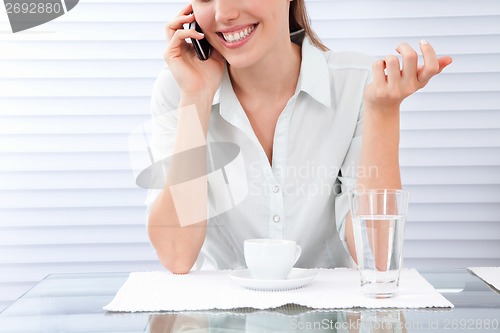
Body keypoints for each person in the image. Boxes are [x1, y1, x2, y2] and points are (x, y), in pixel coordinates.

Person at [146, 0, 452, 274]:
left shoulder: (357, 82)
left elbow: (376, 256)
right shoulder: (180, 88)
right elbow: (177, 255)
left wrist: (383, 111)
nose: (224, 13)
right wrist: (196, 98)